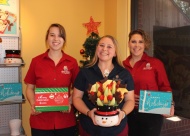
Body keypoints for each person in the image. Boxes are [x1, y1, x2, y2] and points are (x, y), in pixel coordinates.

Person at [72, 35, 135, 136]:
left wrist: (122, 113)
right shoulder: (85, 72)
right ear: (97, 49)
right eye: (101, 45)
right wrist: (88, 112)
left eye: (109, 46)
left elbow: (130, 100)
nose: (104, 49)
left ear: (115, 53)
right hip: (89, 128)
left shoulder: (124, 73)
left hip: (117, 130)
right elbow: (76, 97)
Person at [24, 23, 79, 136]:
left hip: (65, 121)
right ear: (47, 38)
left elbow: (78, 89)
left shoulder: (72, 62)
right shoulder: (36, 61)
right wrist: (34, 104)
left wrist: (68, 102)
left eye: (60, 36)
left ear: (64, 40)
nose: (55, 39)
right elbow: (29, 88)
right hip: (40, 122)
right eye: (52, 35)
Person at [123, 29, 175, 136]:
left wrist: (171, 104)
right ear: (128, 43)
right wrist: (128, 96)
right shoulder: (122, 66)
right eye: (133, 41)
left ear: (145, 44)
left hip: (151, 114)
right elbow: (117, 89)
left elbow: (165, 86)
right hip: (127, 113)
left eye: (140, 42)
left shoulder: (155, 63)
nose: (137, 45)